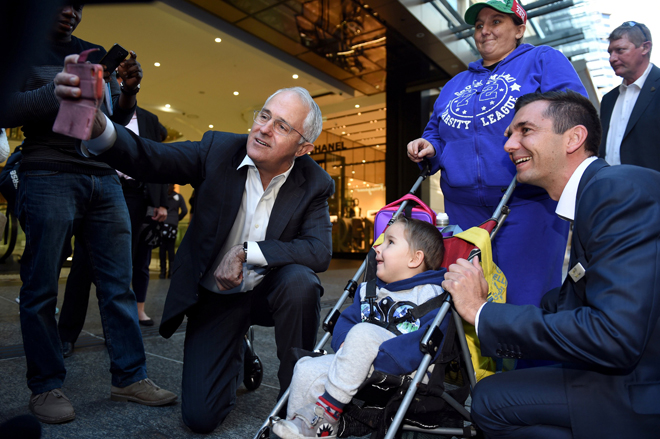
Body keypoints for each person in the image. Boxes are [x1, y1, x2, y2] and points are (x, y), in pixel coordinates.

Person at [54, 67, 335, 433]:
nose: (264, 128)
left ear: (303, 147)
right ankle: (237, 349)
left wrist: (245, 251)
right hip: (216, 296)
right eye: (264, 116)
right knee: (200, 419)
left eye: (282, 126)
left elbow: (318, 250)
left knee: (301, 281)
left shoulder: (314, 181)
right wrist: (98, 127)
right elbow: (150, 156)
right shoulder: (218, 149)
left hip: (270, 292)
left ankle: (297, 400)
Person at [442, 90, 660, 438]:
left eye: (525, 131)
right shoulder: (600, 191)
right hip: (635, 366)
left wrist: (480, 311)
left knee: (488, 400)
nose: (510, 145)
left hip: (642, 386)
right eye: (509, 134)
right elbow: (574, 300)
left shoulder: (613, 194)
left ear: (574, 137)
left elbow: (613, 335)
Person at [0, 5, 176, 424]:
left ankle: (129, 376)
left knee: (118, 284)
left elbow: (109, 119)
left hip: (103, 177)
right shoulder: (21, 49)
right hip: (47, 172)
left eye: (79, 5)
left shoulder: (92, 52)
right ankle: (45, 385)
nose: (70, 11)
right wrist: (52, 92)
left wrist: (128, 91)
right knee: (41, 286)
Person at [406, 0, 587, 321]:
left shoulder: (543, 60)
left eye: (496, 21)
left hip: (529, 206)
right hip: (464, 210)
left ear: (519, 28)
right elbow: (435, 130)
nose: (485, 31)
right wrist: (428, 146)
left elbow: (572, 112)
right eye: (479, 25)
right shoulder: (455, 83)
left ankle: (529, 371)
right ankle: (478, 371)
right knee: (468, 296)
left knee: (526, 301)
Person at [273, 216, 447, 439]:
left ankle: (328, 412)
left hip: (406, 368)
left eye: (390, 242)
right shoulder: (369, 290)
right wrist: (345, 343)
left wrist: (376, 355)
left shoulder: (431, 295)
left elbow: (430, 339)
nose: (378, 248)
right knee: (306, 367)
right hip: (356, 363)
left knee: (363, 333)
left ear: (415, 258)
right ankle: (301, 429)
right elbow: (347, 320)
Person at [58, 107, 169, 358]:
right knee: (82, 265)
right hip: (94, 184)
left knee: (121, 268)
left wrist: (160, 201)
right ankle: (66, 335)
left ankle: (117, 337)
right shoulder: (97, 106)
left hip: (132, 196)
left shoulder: (149, 119)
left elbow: (156, 158)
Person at [599, 21, 660, 172]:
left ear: (645, 47)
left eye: (620, 50)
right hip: (614, 190)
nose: (612, 59)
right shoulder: (608, 100)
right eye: (610, 52)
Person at [159, 184, 188, 279]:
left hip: (163, 224)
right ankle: (171, 272)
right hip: (173, 226)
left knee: (162, 248)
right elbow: (184, 210)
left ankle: (162, 272)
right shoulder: (178, 197)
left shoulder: (162, 197)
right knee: (171, 249)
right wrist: (176, 218)